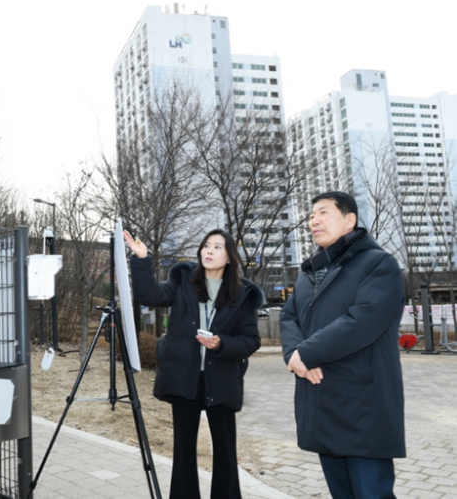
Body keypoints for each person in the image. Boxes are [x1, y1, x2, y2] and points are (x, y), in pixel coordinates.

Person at [280, 191, 405, 499]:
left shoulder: (379, 264)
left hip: (362, 404)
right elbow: (288, 316)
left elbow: (363, 320)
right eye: (311, 216)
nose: (314, 221)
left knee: (371, 493)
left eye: (323, 213)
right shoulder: (309, 273)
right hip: (322, 402)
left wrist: (307, 353)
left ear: (350, 221)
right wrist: (295, 355)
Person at [125, 228, 262, 499]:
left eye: (217, 247)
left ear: (230, 257)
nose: (209, 250)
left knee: (225, 450)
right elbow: (150, 295)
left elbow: (251, 340)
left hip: (221, 378)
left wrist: (221, 344)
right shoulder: (183, 280)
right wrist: (142, 260)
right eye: (206, 245)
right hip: (184, 376)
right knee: (183, 449)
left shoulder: (243, 294)